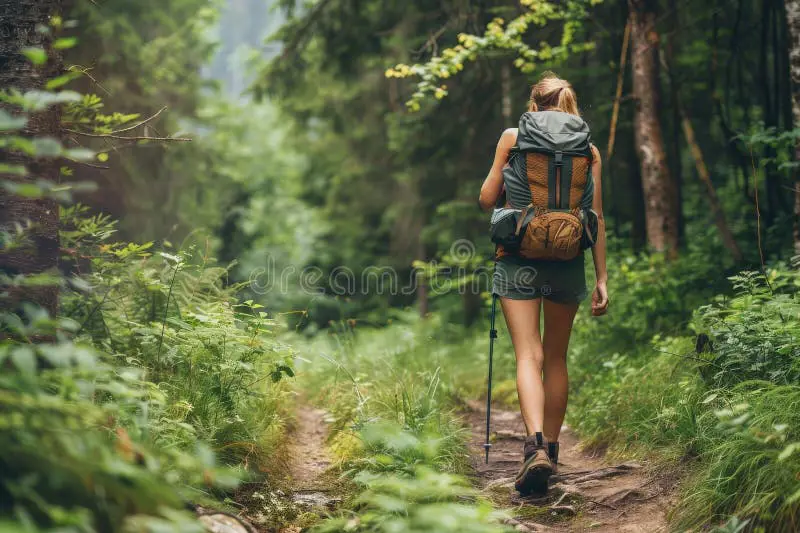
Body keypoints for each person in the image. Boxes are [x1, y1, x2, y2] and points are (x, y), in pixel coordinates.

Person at [478, 73, 609, 494]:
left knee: (527, 356)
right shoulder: (588, 150)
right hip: (569, 260)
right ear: (569, 104)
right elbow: (597, 218)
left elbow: (485, 198)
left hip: (517, 258)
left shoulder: (512, 138)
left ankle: (533, 447)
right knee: (556, 358)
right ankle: (551, 451)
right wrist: (602, 277)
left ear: (533, 104)